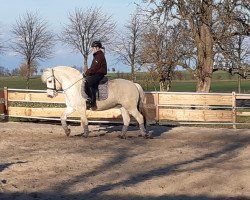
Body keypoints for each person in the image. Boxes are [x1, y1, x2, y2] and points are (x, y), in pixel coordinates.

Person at [84, 40, 107, 110]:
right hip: (97, 73)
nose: (92, 49)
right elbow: (93, 68)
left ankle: (93, 102)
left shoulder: (99, 56)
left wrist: (86, 73)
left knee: (88, 82)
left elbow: (94, 68)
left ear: (97, 48)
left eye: (93, 48)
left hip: (99, 74)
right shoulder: (97, 55)